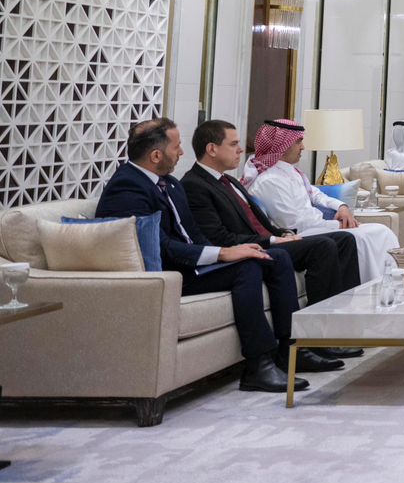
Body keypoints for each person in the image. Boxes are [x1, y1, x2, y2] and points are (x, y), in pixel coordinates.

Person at [95, 118, 337, 393]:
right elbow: (160, 247)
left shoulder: (169, 184)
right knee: (248, 268)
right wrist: (222, 254)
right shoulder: (127, 188)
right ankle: (258, 365)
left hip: (189, 263)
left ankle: (290, 348)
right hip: (167, 274)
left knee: (274, 257)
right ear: (156, 155)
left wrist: (234, 250)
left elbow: (194, 234)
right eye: (176, 147)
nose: (182, 152)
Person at [183, 119, 363, 314]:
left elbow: (258, 220)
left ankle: (345, 317)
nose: (241, 150)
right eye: (234, 144)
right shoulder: (195, 185)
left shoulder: (228, 180)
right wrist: (274, 239)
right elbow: (218, 237)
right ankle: (319, 323)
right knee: (323, 246)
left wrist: (283, 233)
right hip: (250, 247)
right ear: (212, 149)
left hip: (267, 239)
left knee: (344, 240)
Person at [243, 119, 399, 283]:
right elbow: (293, 224)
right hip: (300, 235)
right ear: (282, 146)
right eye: (298, 142)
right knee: (364, 237)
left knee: (381, 231)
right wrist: (336, 225)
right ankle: (369, 288)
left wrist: (341, 206)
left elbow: (316, 194)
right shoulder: (269, 181)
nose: (303, 147)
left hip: (317, 227)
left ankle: (386, 284)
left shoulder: (289, 172)